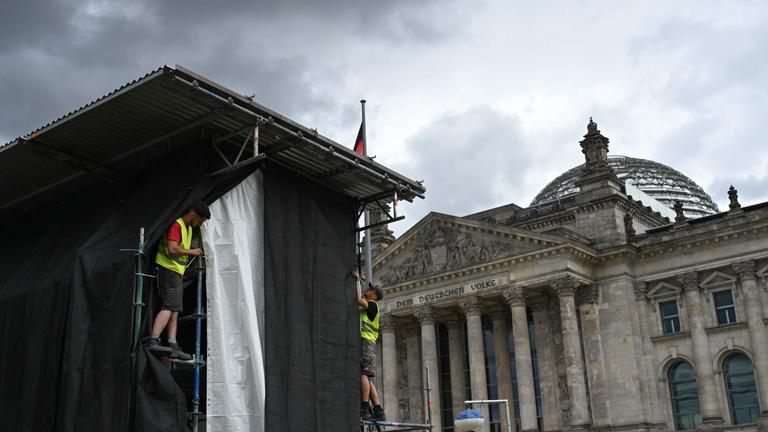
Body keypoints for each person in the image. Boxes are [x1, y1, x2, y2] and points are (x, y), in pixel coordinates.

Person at [144, 202, 210, 360]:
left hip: (176, 273)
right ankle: (153, 340)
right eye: (200, 220)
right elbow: (173, 249)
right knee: (168, 306)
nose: (200, 224)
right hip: (168, 270)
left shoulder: (187, 228)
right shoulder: (177, 225)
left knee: (174, 310)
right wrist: (191, 251)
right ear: (193, 214)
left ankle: (173, 345)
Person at [355, 271, 386, 421]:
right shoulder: (371, 306)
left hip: (366, 343)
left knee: (364, 375)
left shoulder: (372, 305)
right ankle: (378, 409)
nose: (367, 290)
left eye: (370, 290)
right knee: (369, 378)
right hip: (369, 344)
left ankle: (364, 407)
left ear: (374, 295)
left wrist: (356, 282)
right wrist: (360, 282)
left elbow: (358, 300)